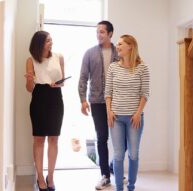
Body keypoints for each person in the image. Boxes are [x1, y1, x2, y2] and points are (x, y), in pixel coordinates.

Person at [105, 34, 150, 191]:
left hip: (134, 119)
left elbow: (145, 93)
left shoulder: (142, 67)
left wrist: (138, 113)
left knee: (133, 154)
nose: (117, 47)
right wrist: (109, 112)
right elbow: (108, 92)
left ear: (130, 46)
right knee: (118, 156)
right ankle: (119, 188)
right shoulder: (113, 67)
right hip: (115, 118)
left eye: (120, 44)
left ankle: (131, 187)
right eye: (117, 44)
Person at [78, 20, 118, 190]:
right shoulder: (89, 53)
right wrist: (82, 99)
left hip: (117, 102)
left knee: (120, 140)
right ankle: (105, 175)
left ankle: (113, 167)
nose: (98, 35)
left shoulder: (119, 53)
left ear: (110, 34)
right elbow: (83, 77)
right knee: (102, 138)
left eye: (102, 32)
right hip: (96, 102)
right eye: (97, 32)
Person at [25, 31, 65, 191]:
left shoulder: (59, 57)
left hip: (56, 98)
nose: (51, 43)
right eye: (48, 41)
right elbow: (29, 89)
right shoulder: (31, 60)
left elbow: (63, 82)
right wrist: (29, 80)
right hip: (39, 98)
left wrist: (59, 84)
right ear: (39, 43)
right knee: (39, 140)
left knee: (54, 139)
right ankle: (40, 176)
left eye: (51, 40)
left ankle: (51, 176)